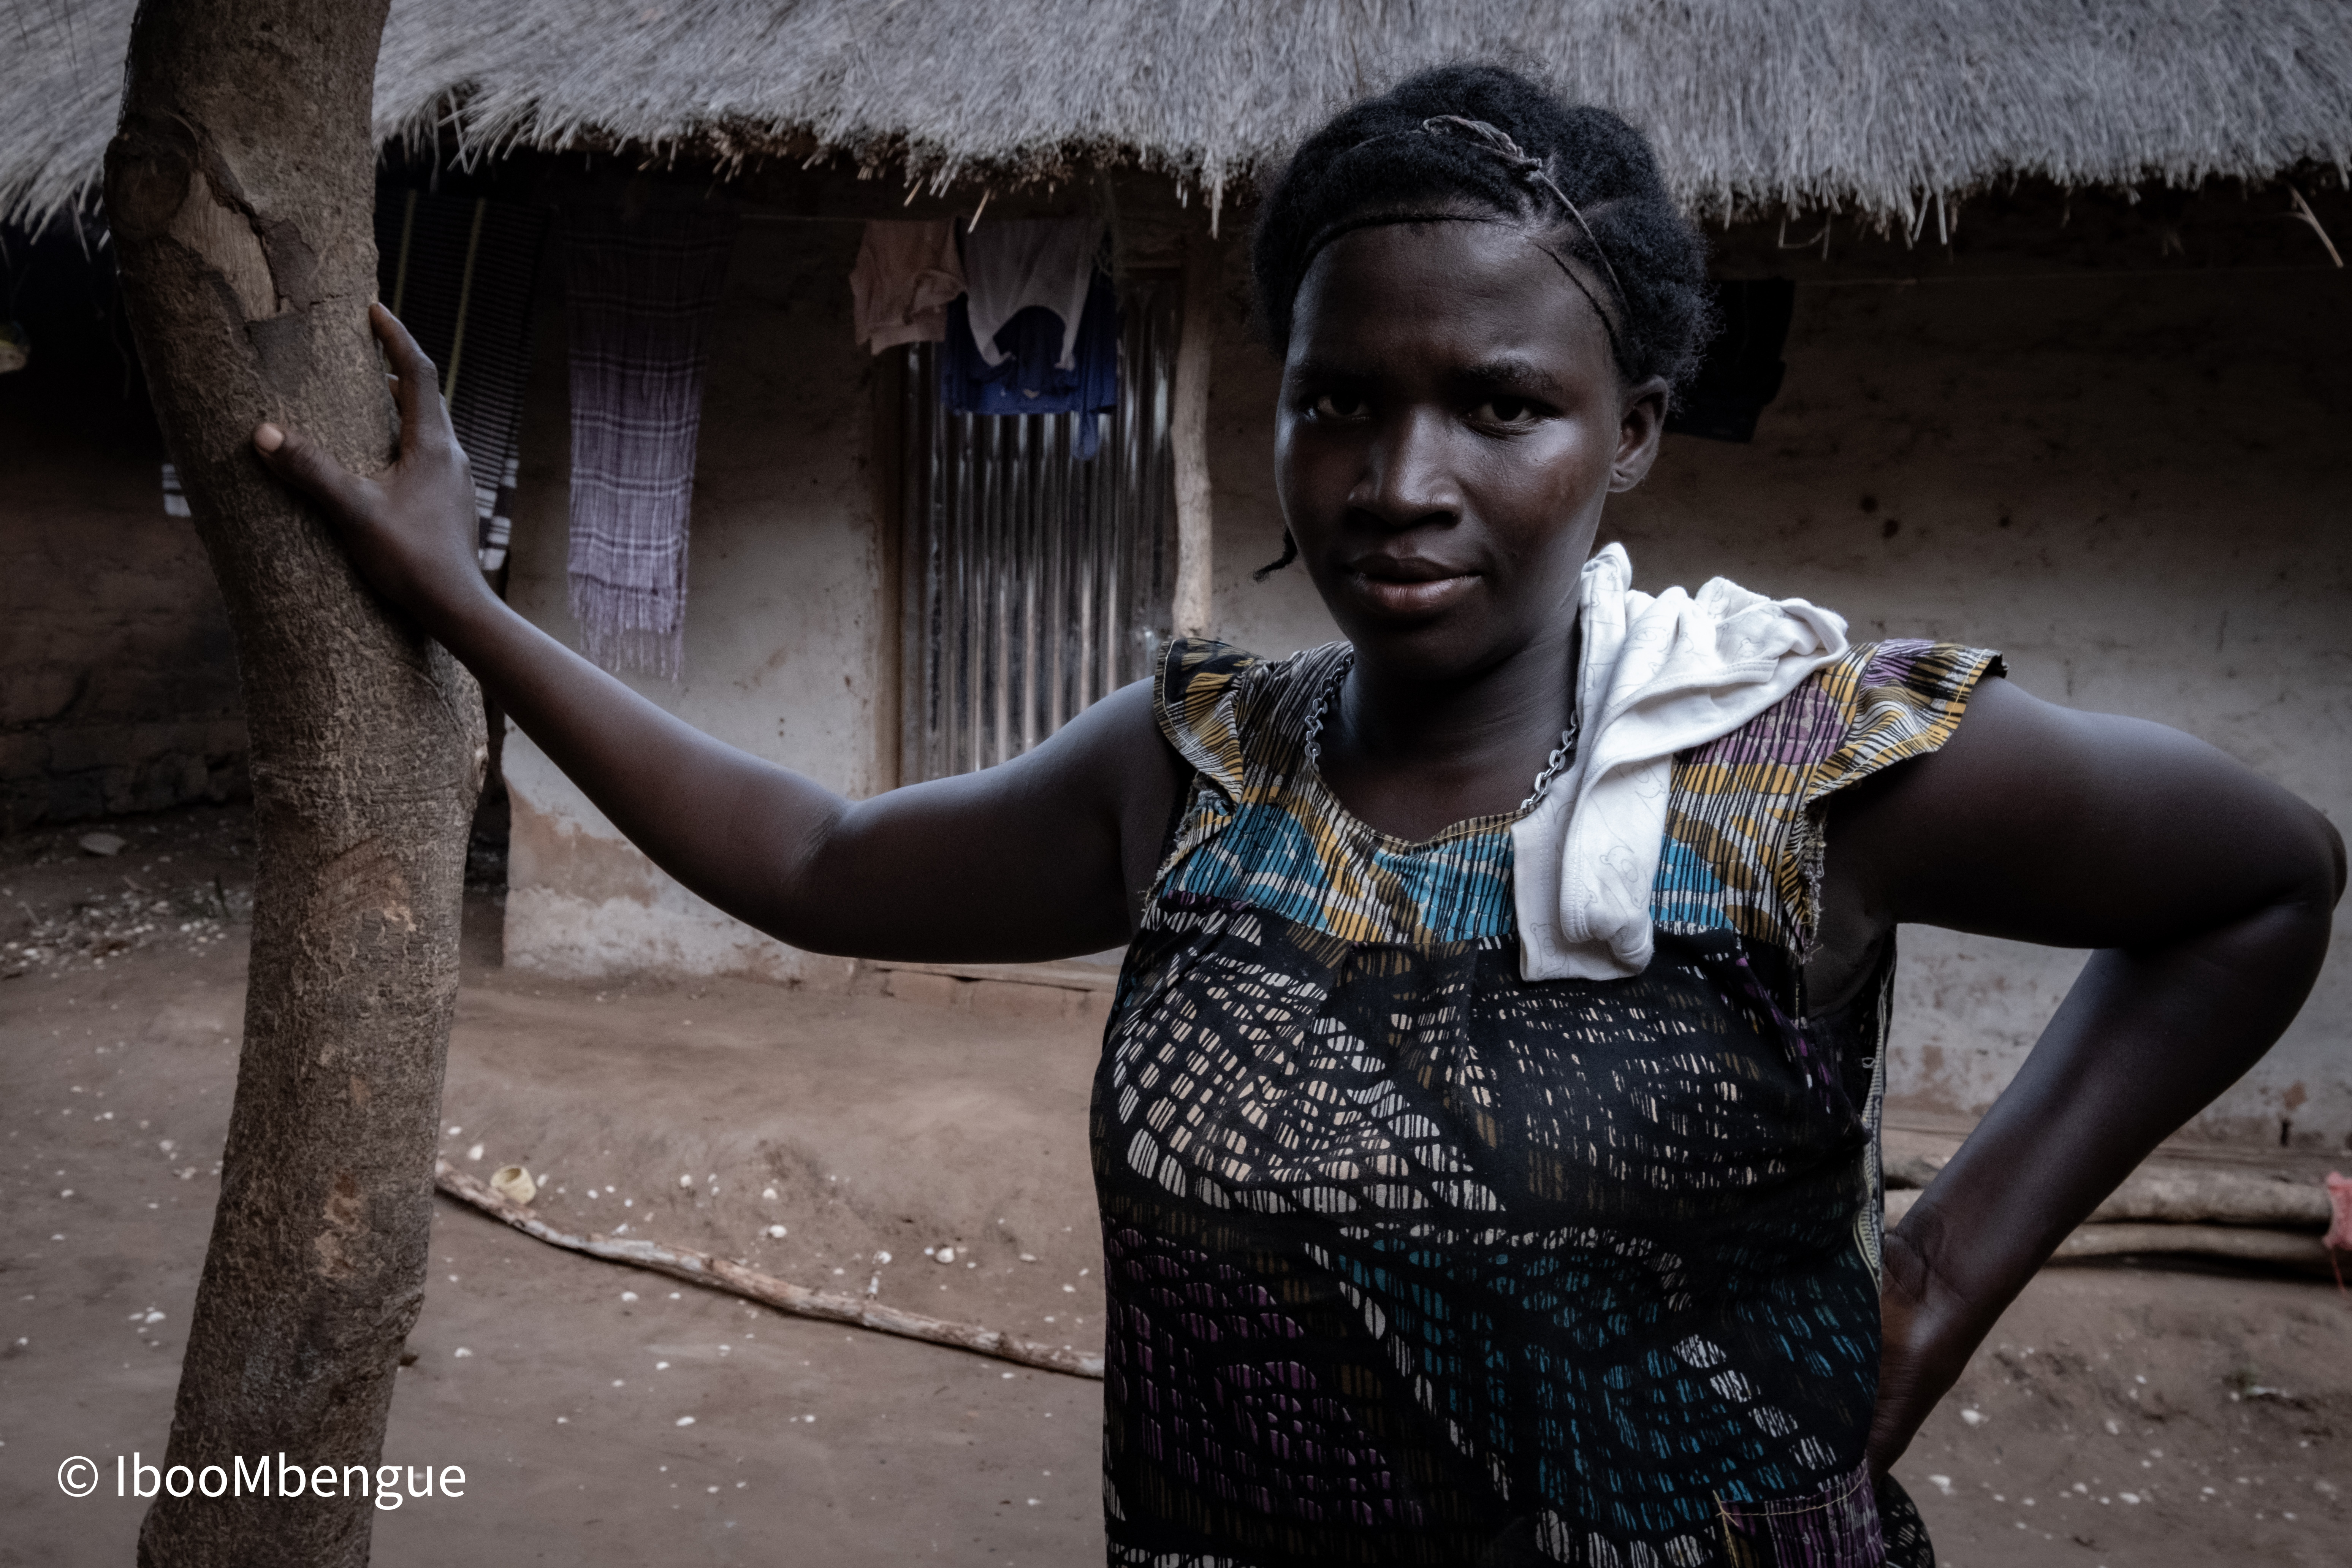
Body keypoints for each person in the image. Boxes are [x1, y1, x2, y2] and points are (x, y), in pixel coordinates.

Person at [252, 63, 2339, 1568]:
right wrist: (457, 596)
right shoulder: (1199, 766)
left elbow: (2262, 880)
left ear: (1633, 433)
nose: (1395, 476)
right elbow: (809, 860)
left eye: (1500, 407)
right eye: (1339, 396)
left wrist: (1939, 1286)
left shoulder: (1789, 758)